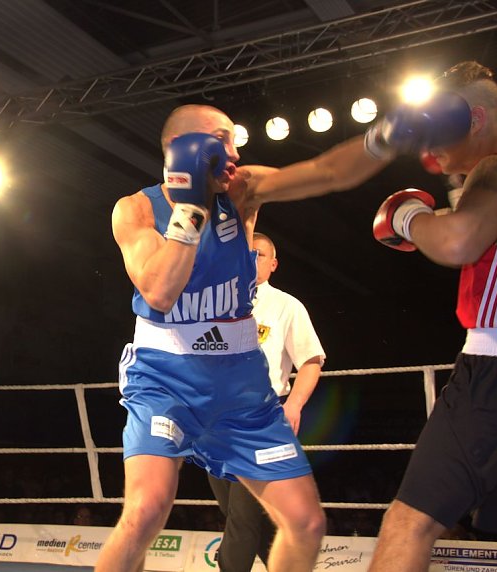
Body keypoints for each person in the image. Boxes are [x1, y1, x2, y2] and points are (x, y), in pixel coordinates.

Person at [97, 99, 424, 572]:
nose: (233, 150)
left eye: (233, 137)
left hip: (242, 386)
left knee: (306, 523)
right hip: (165, 380)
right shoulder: (135, 210)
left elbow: (327, 171)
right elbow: (159, 290)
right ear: (179, 148)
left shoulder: (242, 190)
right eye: (220, 139)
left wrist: (384, 139)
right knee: (145, 511)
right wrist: (190, 208)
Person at [367, 61, 497, 571]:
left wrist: (406, 214)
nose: (430, 149)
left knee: (408, 522)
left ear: (473, 118)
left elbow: (455, 243)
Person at [207, 232, 325, 571]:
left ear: (273, 264)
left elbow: (311, 362)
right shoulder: (216, 304)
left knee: (243, 517)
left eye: (258, 254)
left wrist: (294, 405)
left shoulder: (287, 306)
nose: (249, 259)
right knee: (235, 514)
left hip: (262, 419)